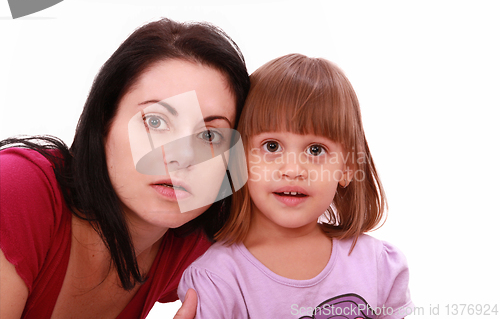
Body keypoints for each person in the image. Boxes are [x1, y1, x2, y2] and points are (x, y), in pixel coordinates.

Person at [0, 18, 250, 319]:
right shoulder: (17, 190)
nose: (182, 157)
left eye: (209, 136)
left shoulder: (197, 244)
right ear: (105, 122)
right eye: (155, 122)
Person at [178, 54, 414, 318]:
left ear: (347, 167)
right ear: (238, 158)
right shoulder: (217, 280)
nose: (292, 170)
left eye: (316, 150)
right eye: (272, 146)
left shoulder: (377, 265)